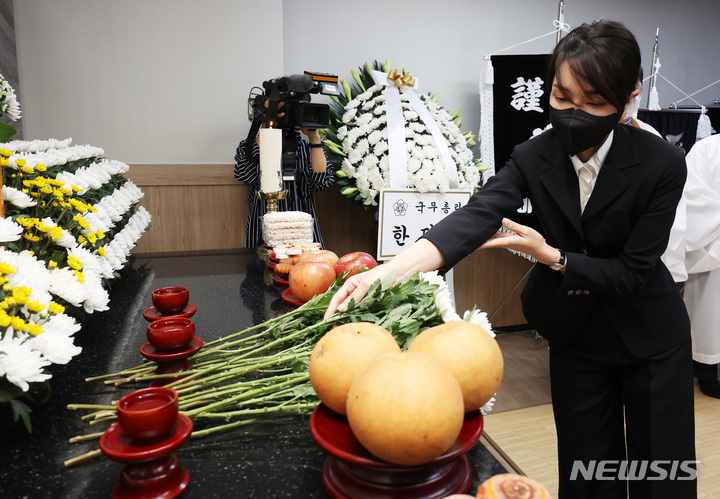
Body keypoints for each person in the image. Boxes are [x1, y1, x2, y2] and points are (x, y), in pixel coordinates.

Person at [326, 20, 696, 499]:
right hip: (575, 333)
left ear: (629, 100)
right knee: (587, 475)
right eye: (562, 97)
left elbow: (633, 272)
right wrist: (387, 272)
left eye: (594, 103)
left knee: (661, 479)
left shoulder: (661, 162)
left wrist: (553, 256)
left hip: (649, 335)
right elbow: (478, 214)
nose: (574, 114)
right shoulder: (534, 155)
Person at [234, 102, 334, 248]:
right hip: (262, 238)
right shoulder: (248, 146)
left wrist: (314, 137)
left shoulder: (309, 150)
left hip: (304, 239)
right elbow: (247, 175)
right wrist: (267, 123)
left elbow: (322, 182)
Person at [668, 134, 720, 397]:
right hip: (714, 245)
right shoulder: (708, 149)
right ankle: (706, 371)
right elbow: (689, 197)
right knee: (709, 312)